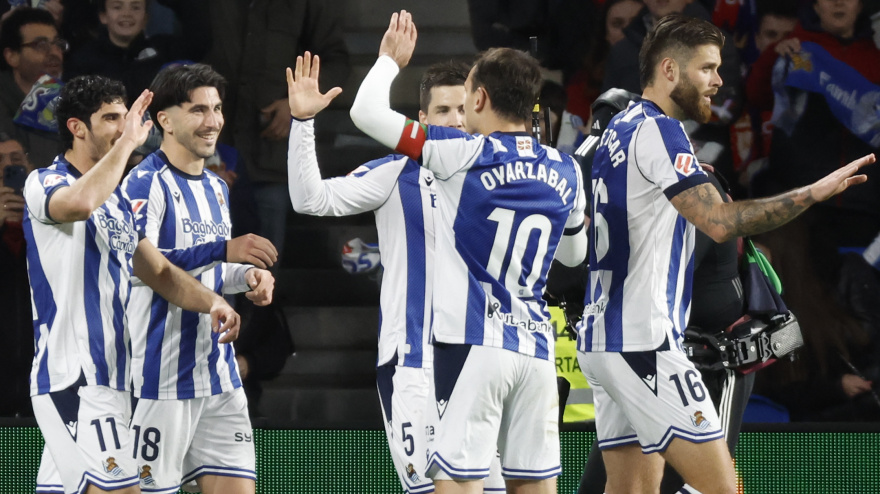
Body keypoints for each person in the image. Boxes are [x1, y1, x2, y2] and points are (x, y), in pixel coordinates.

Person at [576, 14, 873, 494]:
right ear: (669, 70)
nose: (719, 81)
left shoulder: (617, 128)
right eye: (707, 68)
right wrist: (812, 193)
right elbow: (718, 221)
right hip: (643, 342)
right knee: (723, 489)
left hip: (602, 340)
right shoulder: (660, 130)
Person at [350, 11, 587, 494]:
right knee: (534, 486)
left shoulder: (461, 154)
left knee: (458, 483)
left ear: (479, 99)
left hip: (476, 345)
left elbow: (365, 113)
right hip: (536, 352)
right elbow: (573, 255)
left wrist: (389, 61)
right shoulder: (566, 168)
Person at [288, 53, 507, 493]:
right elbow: (310, 199)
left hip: (484, 362)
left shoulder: (502, 177)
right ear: (422, 120)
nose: (455, 120)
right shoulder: (395, 174)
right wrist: (303, 122)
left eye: (462, 109)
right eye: (443, 110)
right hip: (414, 365)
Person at [25, 74, 241, 494]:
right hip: (74, 375)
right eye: (111, 118)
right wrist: (126, 144)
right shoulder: (46, 181)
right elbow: (78, 204)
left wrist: (212, 302)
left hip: (115, 378)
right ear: (77, 128)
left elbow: (158, 271)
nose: (125, 127)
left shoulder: (117, 201)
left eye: (126, 117)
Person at [120, 63, 277, 494]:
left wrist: (248, 276)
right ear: (165, 120)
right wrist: (223, 250)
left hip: (219, 376)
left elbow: (211, 272)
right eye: (198, 110)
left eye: (217, 108)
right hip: (161, 377)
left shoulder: (217, 188)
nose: (212, 121)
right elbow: (143, 266)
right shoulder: (142, 183)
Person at [204, 0, 349, 267]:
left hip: (268, 159)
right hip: (212, 158)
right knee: (204, 267)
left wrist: (294, 106)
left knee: (263, 271)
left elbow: (336, 62)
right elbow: (185, 53)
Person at [64, 0, 212, 99]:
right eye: (117, 7)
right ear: (103, 16)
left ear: (146, 18)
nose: (127, 14)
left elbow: (199, 43)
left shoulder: (164, 49)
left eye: (135, 7)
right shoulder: (83, 60)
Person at [0, 132, 33, 418]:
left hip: (40, 384)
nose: (7, 167)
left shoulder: (52, 222)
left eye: (15, 159)